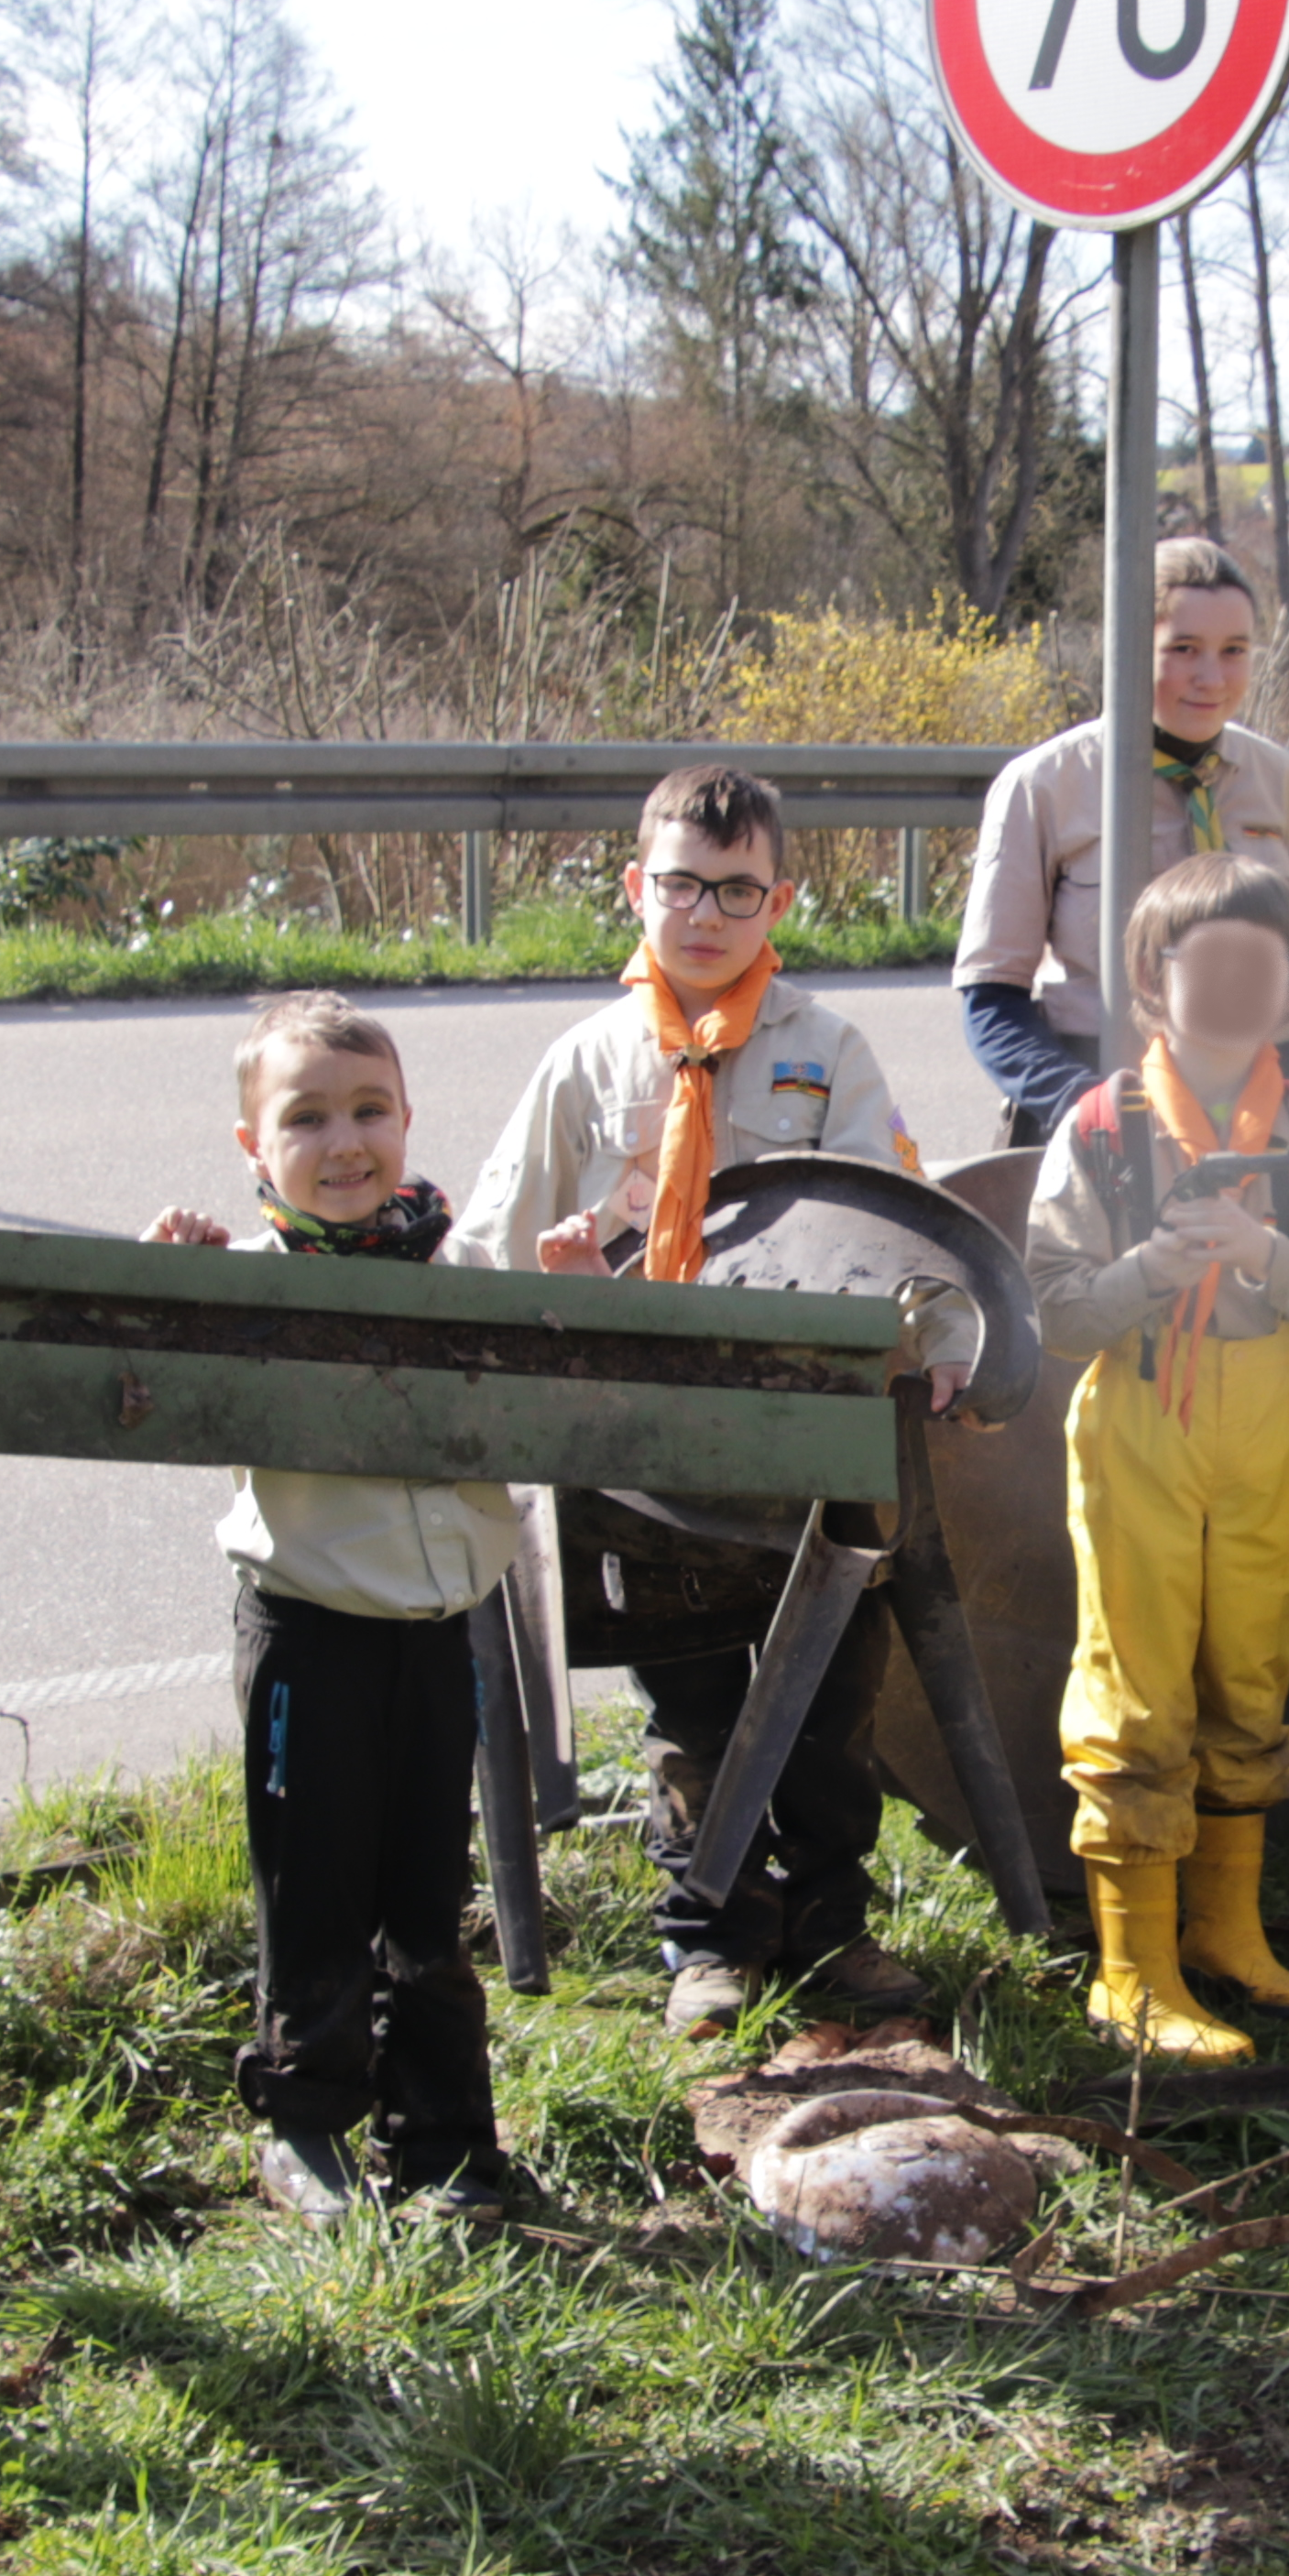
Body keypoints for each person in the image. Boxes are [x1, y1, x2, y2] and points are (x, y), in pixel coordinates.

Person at [458, 763, 971, 2038]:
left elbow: (895, 1213)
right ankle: (709, 1935)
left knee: (828, 1706)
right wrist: (548, 1278)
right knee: (691, 1707)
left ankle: (830, 1922)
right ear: (636, 886)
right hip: (645, 1455)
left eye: (736, 891)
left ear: (777, 900)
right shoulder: (584, 1064)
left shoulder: (822, 1051)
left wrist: (944, 1328)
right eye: (681, 884)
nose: (704, 914)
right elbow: (485, 1240)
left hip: (810, 1442)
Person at [144, 996, 523, 2224]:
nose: (344, 1141)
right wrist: (174, 1287)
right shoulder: (250, 1282)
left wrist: (565, 1289)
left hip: (438, 1634)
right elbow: (154, 1383)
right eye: (304, 1119)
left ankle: (447, 2142)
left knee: (426, 1889)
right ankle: (304, 2127)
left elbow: (548, 1391)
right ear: (252, 1146)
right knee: (312, 1881)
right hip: (309, 1628)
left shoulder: (464, 1270)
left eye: (369, 1111)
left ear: (408, 1121)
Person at [1023, 852, 1289, 2061]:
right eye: (1207, 965)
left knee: (1251, 1670)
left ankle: (1228, 1932)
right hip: (1139, 1416)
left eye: (1261, 968)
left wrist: (1257, 1253)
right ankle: (1132, 1971)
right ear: (1149, 983)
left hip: (1274, 1420)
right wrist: (1151, 1271)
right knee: (1135, 1683)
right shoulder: (1096, 1127)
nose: (1236, 992)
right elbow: (1052, 1313)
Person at [956, 536, 1289, 1145]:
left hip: (1246, 1110)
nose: (1210, 677)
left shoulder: (1277, 781)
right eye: (1182, 649)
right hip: (1089, 1095)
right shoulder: (1046, 784)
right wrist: (1090, 1106)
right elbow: (991, 1001)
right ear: (1128, 649)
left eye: (1234, 650)